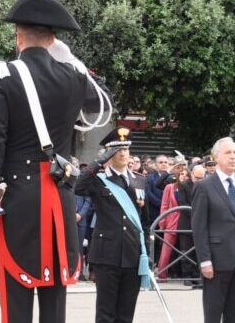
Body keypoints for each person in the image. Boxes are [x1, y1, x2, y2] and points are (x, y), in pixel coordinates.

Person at [0, 0, 113, 322]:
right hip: (60, 196)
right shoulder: (73, 76)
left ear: (18, 36)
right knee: (54, 302)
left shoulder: (4, 74)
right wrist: (72, 59)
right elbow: (102, 106)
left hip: (18, 200)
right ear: (54, 38)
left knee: (16, 300)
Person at [73, 127, 150, 323]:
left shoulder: (139, 180)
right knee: (106, 313)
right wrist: (99, 161)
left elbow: (144, 221)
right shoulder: (99, 179)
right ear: (109, 153)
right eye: (117, 149)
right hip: (107, 254)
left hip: (132, 255)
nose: (123, 153)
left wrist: (145, 253)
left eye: (126, 149)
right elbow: (79, 186)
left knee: (126, 313)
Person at [191, 137, 235, 323]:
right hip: (215, 260)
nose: (233, 157)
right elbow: (199, 227)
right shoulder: (204, 186)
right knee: (213, 314)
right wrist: (204, 260)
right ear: (216, 156)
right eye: (228, 153)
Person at [157, 167, 187, 279]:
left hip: (187, 221)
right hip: (172, 221)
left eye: (186, 174)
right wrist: (162, 222)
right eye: (181, 174)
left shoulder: (192, 187)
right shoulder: (170, 187)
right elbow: (164, 205)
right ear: (177, 176)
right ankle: (162, 274)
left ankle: (188, 274)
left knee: (186, 249)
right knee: (166, 248)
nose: (184, 176)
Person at [177, 165, 204, 287]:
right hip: (187, 222)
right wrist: (197, 213)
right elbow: (182, 203)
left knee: (198, 250)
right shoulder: (183, 185)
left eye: (201, 178)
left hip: (201, 223)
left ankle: (197, 275)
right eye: (197, 177)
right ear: (192, 174)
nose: (199, 180)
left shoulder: (205, 185)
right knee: (186, 250)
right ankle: (187, 275)